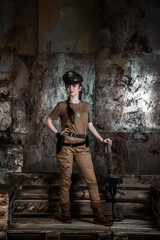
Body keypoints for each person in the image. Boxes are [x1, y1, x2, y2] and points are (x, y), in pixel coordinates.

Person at [45, 70, 113, 226]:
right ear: (66, 88)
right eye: (68, 86)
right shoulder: (61, 106)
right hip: (66, 148)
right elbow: (48, 121)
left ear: (80, 88)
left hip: (82, 148)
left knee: (92, 182)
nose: (71, 88)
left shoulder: (85, 106)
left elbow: (90, 125)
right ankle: (66, 214)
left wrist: (102, 139)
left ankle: (98, 215)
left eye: (74, 85)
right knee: (65, 182)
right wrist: (58, 134)